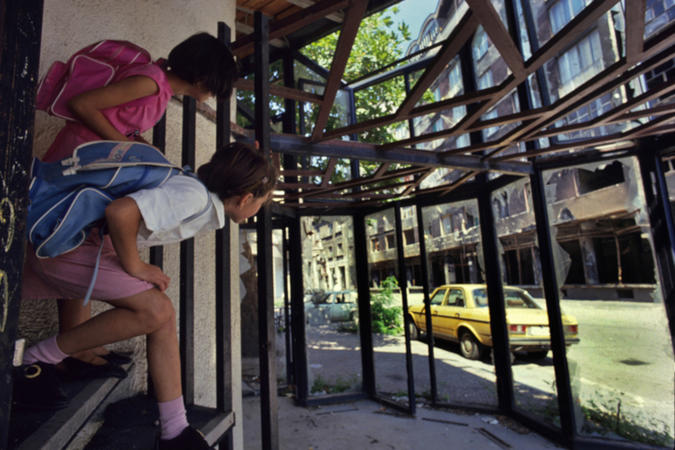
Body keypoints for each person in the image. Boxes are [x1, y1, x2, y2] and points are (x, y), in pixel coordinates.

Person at [18, 142, 277, 449]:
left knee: (161, 316)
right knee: (157, 311)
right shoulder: (193, 196)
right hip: (71, 248)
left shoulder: (194, 192)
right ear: (246, 198)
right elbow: (120, 212)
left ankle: (175, 429)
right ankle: (37, 358)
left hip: (80, 245)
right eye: (261, 203)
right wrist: (136, 266)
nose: (256, 211)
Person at [39, 32, 238, 374]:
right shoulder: (150, 82)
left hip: (93, 169)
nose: (211, 96)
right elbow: (82, 105)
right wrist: (129, 151)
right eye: (215, 88)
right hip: (79, 167)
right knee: (79, 245)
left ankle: (78, 345)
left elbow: (118, 121)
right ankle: (71, 348)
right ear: (204, 79)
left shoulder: (158, 89)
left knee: (83, 244)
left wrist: (141, 148)